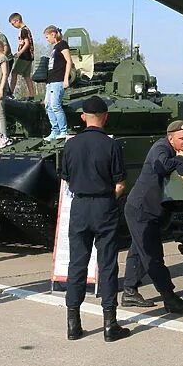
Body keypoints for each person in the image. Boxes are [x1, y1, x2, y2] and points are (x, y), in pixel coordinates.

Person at [60, 95, 130, 342]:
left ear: (83, 117)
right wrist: (109, 197)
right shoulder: (112, 145)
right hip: (104, 206)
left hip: (79, 206)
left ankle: (73, 324)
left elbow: (66, 178)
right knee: (108, 264)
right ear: (106, 117)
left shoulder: (70, 145)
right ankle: (110, 324)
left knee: (77, 265)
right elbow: (120, 182)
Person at [121, 120, 183, 314]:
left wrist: (182, 159)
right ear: (171, 138)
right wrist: (180, 159)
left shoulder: (177, 149)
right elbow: (162, 166)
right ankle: (169, 297)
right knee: (152, 255)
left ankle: (129, 291)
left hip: (150, 209)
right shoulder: (160, 148)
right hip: (141, 209)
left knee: (139, 250)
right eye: (182, 138)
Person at [43, 25, 72, 141]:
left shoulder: (62, 45)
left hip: (58, 80)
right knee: (48, 106)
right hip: (51, 81)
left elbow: (68, 61)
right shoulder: (54, 48)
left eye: (47, 37)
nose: (47, 39)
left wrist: (66, 79)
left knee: (55, 105)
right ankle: (54, 130)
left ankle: (63, 130)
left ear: (53, 34)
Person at [8, 12, 36, 99]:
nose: (13, 26)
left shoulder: (23, 30)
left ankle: (10, 92)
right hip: (29, 57)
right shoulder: (27, 29)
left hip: (24, 56)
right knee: (26, 76)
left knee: (14, 73)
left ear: (17, 21)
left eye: (13, 24)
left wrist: (20, 52)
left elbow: (27, 44)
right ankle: (32, 95)